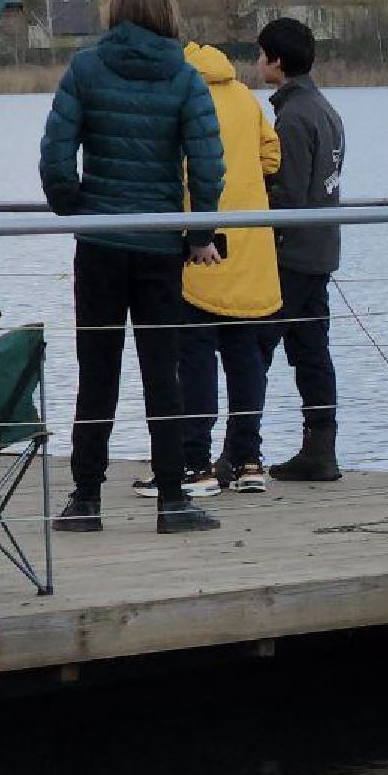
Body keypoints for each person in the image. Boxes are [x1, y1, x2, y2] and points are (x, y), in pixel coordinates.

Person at [39, 0, 225, 534]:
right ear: (166, 11)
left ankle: (86, 499)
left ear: (115, 10)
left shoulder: (87, 67)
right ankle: (172, 498)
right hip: (158, 247)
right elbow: (209, 165)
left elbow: (54, 158)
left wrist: (76, 208)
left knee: (98, 373)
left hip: (98, 244)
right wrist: (198, 234)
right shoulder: (184, 75)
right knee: (161, 372)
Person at [160, 40, 283, 497]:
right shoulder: (245, 98)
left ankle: (197, 462)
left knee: (194, 356)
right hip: (250, 248)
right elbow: (273, 156)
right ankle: (249, 460)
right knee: (245, 356)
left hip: (201, 245)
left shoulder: (180, 95)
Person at [256, 17, 345, 482]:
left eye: (260, 54)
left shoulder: (291, 116)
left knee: (257, 348)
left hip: (291, 253)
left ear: (276, 60)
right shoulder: (326, 109)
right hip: (322, 248)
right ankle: (321, 445)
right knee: (313, 350)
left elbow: (288, 194)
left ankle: (241, 452)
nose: (257, 63)